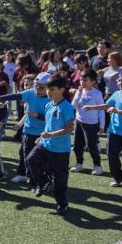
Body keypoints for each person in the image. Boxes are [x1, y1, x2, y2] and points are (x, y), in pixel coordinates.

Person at [83, 69, 122, 188]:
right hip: (114, 131)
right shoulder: (117, 94)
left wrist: (117, 111)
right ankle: (118, 178)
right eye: (120, 80)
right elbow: (107, 105)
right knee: (111, 155)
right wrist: (92, 107)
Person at [26, 75, 74, 213]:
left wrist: (50, 135)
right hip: (45, 144)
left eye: (52, 89)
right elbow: (49, 125)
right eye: (48, 88)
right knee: (31, 160)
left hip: (60, 150)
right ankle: (44, 182)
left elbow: (70, 128)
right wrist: (42, 137)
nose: (48, 91)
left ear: (61, 90)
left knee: (60, 179)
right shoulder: (48, 105)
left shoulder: (66, 107)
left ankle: (62, 203)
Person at [0, 72, 51, 186]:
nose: (37, 89)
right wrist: (0, 98)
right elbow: (16, 96)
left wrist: (38, 116)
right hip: (28, 131)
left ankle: (41, 178)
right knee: (24, 154)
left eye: (41, 87)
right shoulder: (30, 93)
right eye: (36, 86)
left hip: (43, 134)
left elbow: (53, 120)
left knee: (40, 158)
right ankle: (22, 174)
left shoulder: (51, 100)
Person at [70, 68, 105, 175]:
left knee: (91, 146)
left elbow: (101, 110)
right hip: (79, 122)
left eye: (85, 80)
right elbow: (73, 105)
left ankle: (97, 165)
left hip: (91, 124)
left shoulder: (97, 93)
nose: (82, 82)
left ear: (93, 82)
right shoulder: (79, 91)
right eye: (81, 80)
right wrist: (79, 94)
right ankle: (79, 164)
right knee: (77, 145)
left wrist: (102, 125)